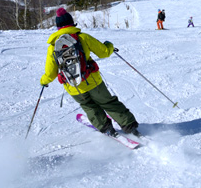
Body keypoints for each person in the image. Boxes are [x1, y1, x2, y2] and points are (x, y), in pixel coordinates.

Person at [40, 8, 141, 136]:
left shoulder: (53, 46)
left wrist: (44, 81)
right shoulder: (83, 37)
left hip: (74, 87)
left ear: (58, 26)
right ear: (71, 22)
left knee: (89, 107)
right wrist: (109, 45)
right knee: (108, 102)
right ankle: (130, 127)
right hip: (93, 81)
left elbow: (50, 72)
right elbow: (103, 52)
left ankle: (107, 129)